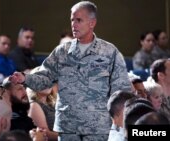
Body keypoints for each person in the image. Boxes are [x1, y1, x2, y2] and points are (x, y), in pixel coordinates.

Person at [10, 1, 132, 141]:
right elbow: (45, 77)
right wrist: (25, 78)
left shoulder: (110, 52)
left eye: (79, 20)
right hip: (68, 128)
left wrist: (118, 122)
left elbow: (121, 91)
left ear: (92, 23)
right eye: (72, 20)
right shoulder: (62, 52)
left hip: (97, 128)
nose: (73, 24)